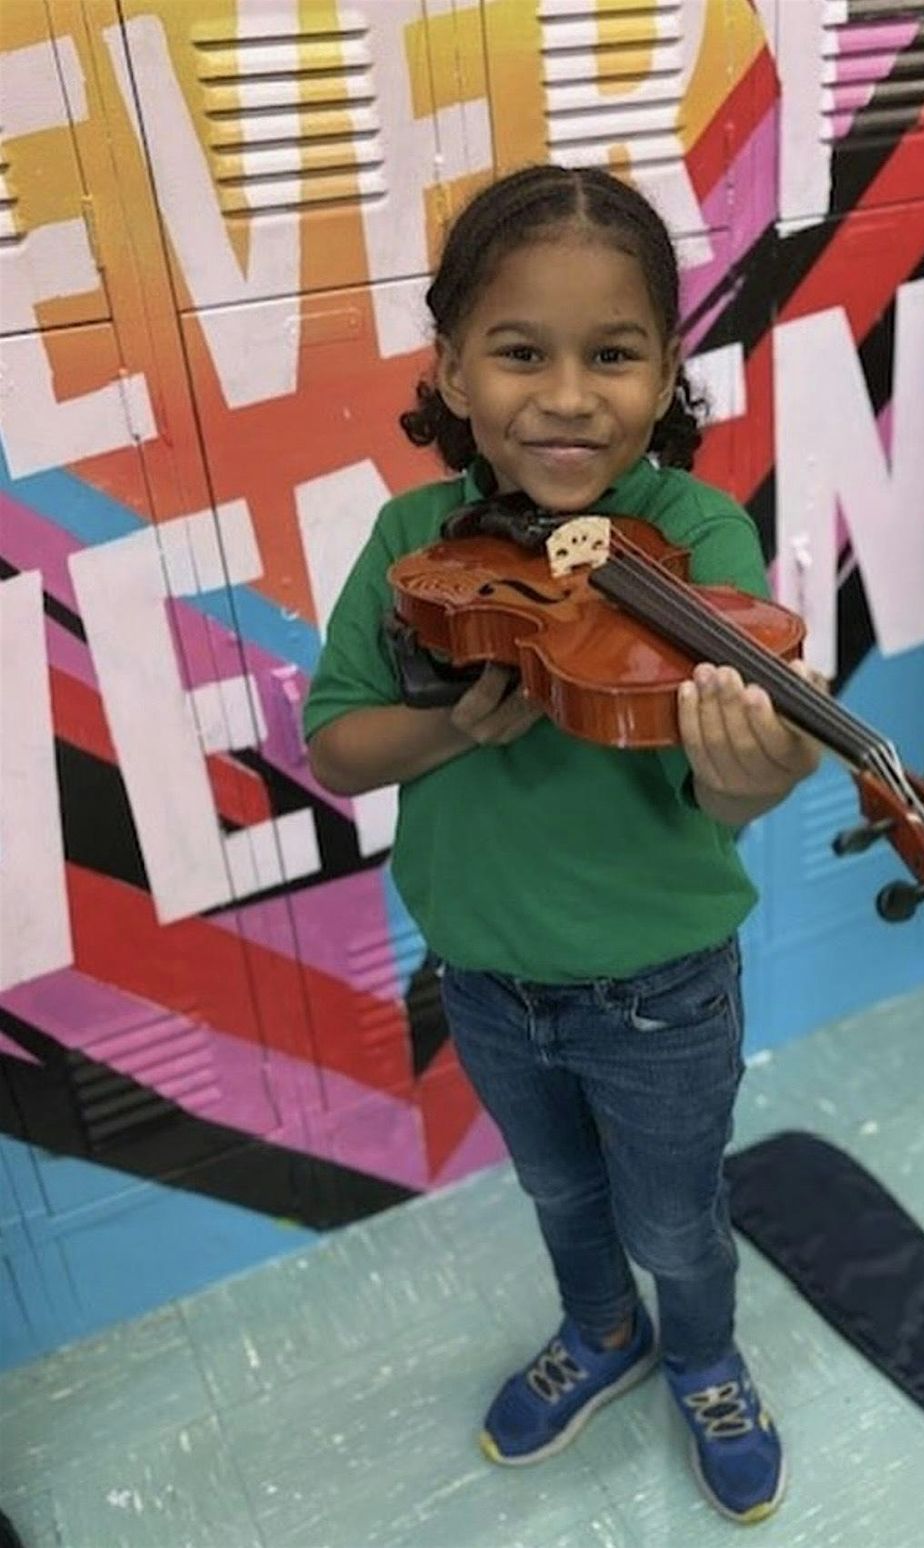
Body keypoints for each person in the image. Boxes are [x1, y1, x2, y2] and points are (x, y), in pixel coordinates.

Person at [303, 164, 824, 1524]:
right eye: (522, 352)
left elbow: (721, 794)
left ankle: (703, 1357)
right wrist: (452, 726)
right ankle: (602, 1331)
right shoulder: (416, 543)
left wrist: (757, 771)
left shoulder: (693, 536)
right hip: (485, 972)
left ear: (665, 374)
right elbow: (338, 746)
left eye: (614, 355)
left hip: (660, 989)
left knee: (674, 1216)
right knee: (556, 1190)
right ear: (452, 368)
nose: (570, 397)